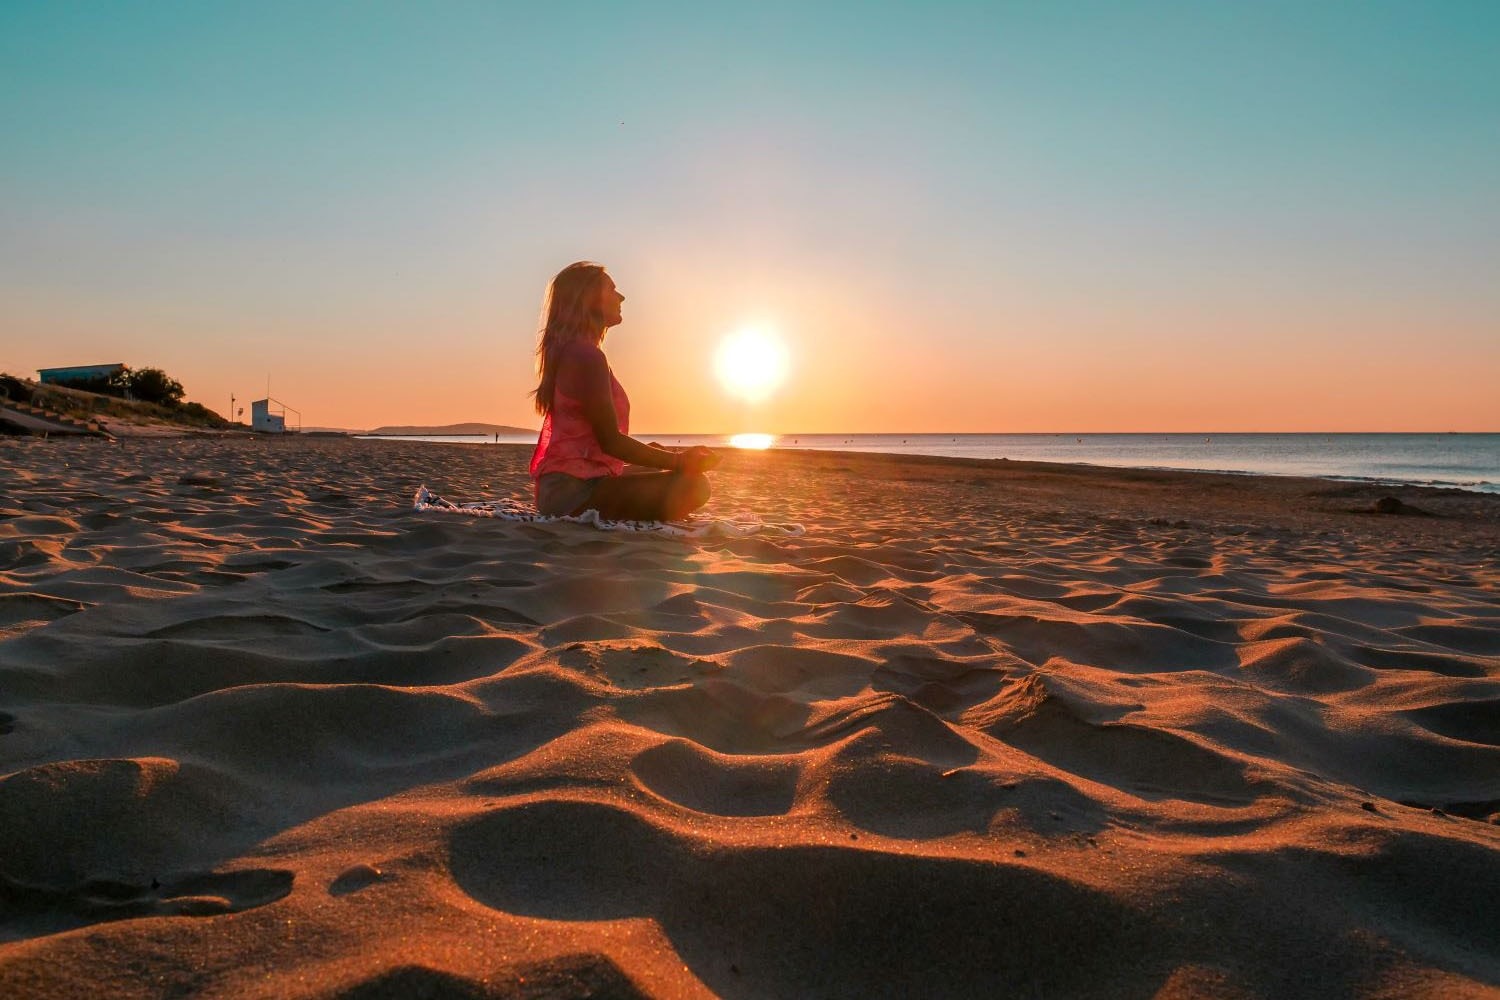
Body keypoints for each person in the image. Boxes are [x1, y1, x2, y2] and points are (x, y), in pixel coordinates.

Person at [528, 261, 719, 520]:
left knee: (656, 450)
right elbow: (610, 441)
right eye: (612, 290)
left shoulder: (576, 350)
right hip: (571, 494)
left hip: (569, 483)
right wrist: (680, 461)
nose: (621, 297)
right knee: (695, 485)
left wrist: (671, 458)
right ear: (591, 300)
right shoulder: (587, 357)